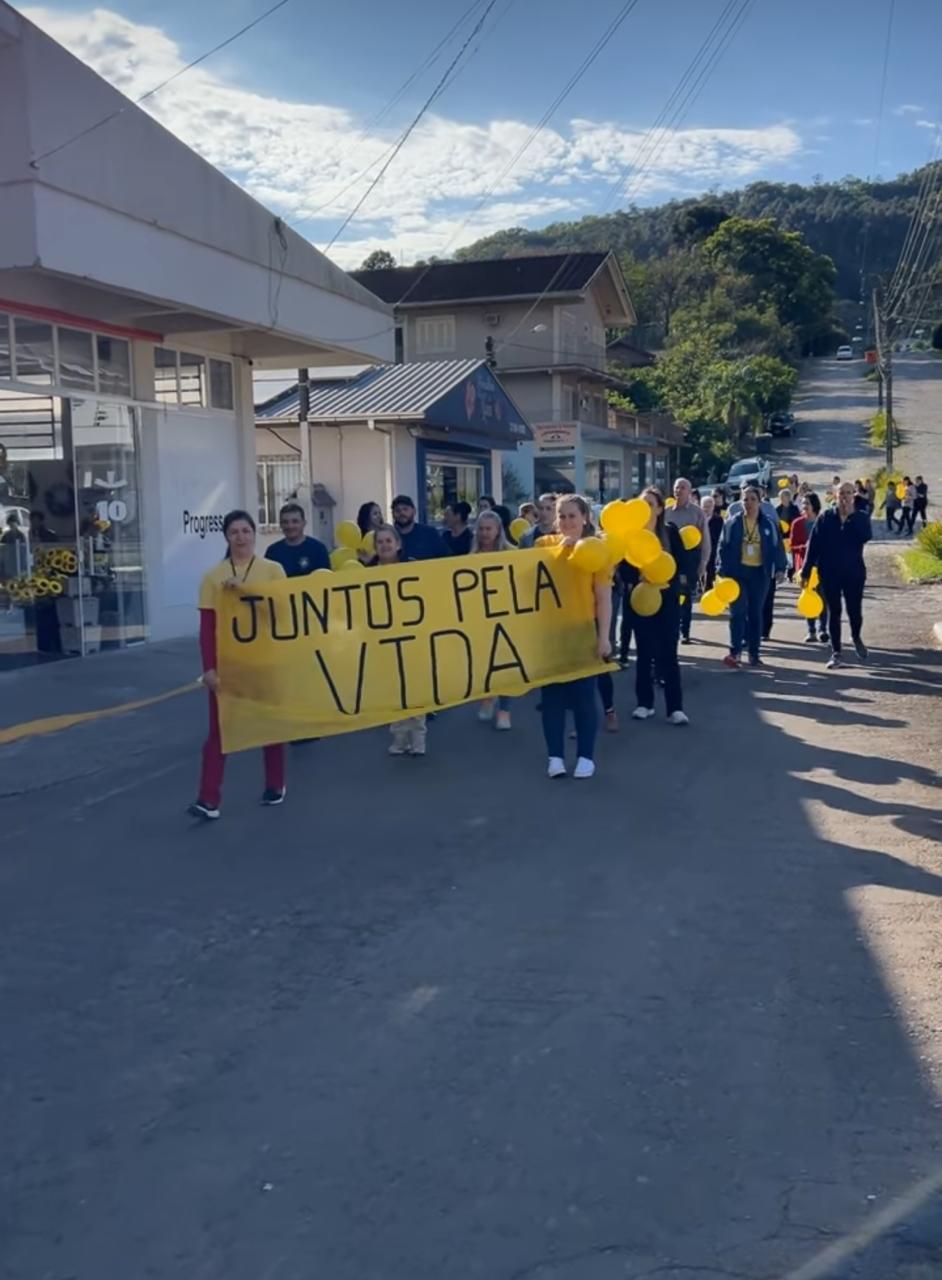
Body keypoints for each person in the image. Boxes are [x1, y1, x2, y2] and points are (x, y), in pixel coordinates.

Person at [189, 510, 287, 821]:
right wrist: (209, 668)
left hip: (264, 661)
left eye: (246, 531)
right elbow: (207, 628)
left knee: (269, 725)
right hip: (228, 665)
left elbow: (282, 617)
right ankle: (208, 798)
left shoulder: (273, 571)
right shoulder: (212, 577)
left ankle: (275, 784)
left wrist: (247, 594)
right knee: (219, 731)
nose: (241, 537)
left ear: (254, 534)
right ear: (227, 537)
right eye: (235, 532)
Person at [540, 494, 612, 779]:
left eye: (572, 515)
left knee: (584, 697)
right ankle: (555, 757)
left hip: (583, 631)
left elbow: (604, 599)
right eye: (562, 516)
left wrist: (604, 637)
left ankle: (586, 756)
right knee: (552, 699)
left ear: (585, 518)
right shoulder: (541, 546)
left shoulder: (596, 551)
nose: (567, 521)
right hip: (550, 634)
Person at [623, 486, 688, 725]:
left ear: (660, 508)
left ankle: (675, 708)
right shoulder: (631, 535)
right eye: (642, 503)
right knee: (644, 654)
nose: (646, 508)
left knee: (669, 654)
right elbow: (624, 569)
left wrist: (672, 583)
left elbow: (682, 565)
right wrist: (635, 580)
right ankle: (644, 703)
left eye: (650, 504)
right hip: (641, 601)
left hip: (667, 600)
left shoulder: (670, 533)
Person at [802, 480, 872, 669]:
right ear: (835, 495)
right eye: (842, 493)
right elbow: (813, 545)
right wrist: (806, 571)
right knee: (834, 612)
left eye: (849, 493)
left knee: (854, 610)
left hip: (854, 572)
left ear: (854, 495)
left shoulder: (861, 517)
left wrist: (853, 517)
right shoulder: (825, 517)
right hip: (830, 572)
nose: (845, 497)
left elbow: (866, 536)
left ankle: (856, 636)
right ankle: (836, 652)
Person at [718, 486, 786, 670]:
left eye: (752, 499)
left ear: (760, 501)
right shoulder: (732, 522)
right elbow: (722, 546)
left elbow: (777, 546)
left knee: (755, 613)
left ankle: (754, 654)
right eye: (745, 499)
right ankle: (735, 653)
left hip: (760, 573)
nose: (748, 503)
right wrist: (721, 569)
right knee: (737, 612)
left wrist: (780, 568)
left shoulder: (769, 524)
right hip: (737, 573)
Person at [373, 526, 427, 756]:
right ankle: (399, 736)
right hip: (383, 638)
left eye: (388, 541)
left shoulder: (412, 567)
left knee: (415, 687)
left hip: (412, 635)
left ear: (398, 544)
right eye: (380, 542)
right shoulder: (366, 573)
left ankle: (418, 738)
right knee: (393, 689)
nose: (385, 545)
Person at [472, 510, 516, 731]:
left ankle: (504, 710)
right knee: (484, 662)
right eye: (481, 528)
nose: (485, 533)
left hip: (507, 616)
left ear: (498, 530)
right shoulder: (471, 557)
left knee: (506, 664)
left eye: (489, 528)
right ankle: (487, 696)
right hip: (480, 618)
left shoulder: (513, 554)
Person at [665, 477, 711, 644]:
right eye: (677, 488)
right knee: (669, 597)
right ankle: (672, 629)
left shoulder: (697, 513)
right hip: (669, 560)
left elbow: (705, 539)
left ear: (689, 492)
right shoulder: (667, 511)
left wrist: (703, 563)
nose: (679, 491)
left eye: (682, 488)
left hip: (689, 560)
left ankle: (685, 631)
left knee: (684, 596)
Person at [790, 493, 829, 643]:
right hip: (805, 567)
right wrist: (805, 547)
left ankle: (823, 629)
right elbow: (792, 546)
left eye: (807, 503)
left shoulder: (824, 521)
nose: (804, 506)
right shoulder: (797, 523)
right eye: (803, 503)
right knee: (808, 599)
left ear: (814, 505)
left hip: (823, 567)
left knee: (823, 599)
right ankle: (811, 630)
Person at [264, 501, 330, 577]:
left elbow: (326, 580)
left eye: (295, 521)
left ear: (304, 523)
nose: (290, 526)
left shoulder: (318, 549)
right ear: (280, 525)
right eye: (285, 522)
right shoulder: (272, 552)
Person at [391, 494, 444, 559]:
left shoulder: (430, 533)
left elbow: (447, 558)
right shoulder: (388, 537)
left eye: (405, 509)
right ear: (393, 514)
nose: (402, 513)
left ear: (414, 511)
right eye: (397, 510)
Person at [775, 488, 801, 586]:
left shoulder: (794, 508)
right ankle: (783, 572)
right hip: (782, 536)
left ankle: (791, 574)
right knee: (784, 555)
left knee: (792, 555)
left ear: (788, 497)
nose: (781, 499)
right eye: (780, 497)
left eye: (783, 497)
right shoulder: (777, 509)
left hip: (792, 535)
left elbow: (798, 521)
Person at [704, 492, 725, 590]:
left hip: (713, 549)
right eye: (704, 506)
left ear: (713, 507)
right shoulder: (699, 519)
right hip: (701, 550)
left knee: (711, 573)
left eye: (709, 506)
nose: (706, 509)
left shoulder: (719, 520)